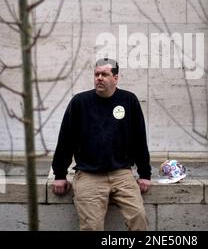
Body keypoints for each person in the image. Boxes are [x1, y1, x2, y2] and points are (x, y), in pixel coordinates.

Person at [52, 58, 151, 231]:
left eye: (104, 74)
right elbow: (65, 139)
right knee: (92, 227)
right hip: (89, 175)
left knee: (139, 217)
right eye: (96, 74)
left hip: (121, 174)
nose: (99, 78)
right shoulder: (80, 102)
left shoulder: (129, 100)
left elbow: (139, 139)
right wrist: (59, 174)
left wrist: (145, 173)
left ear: (116, 78)